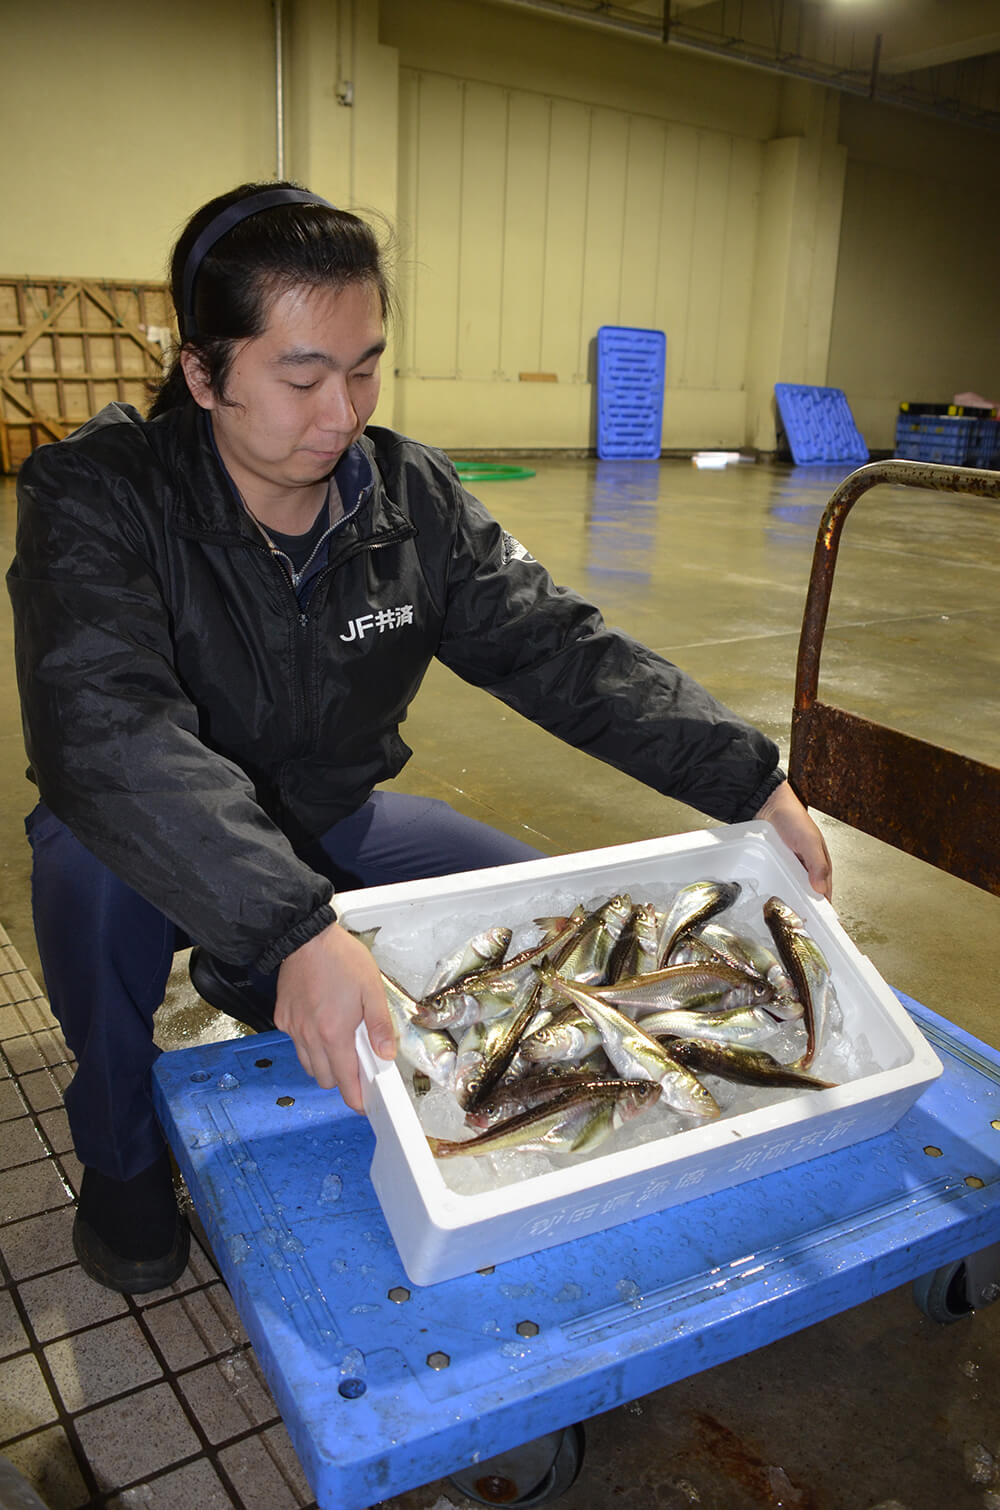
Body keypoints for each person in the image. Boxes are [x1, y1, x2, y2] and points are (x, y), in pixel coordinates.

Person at [7, 181, 832, 1295]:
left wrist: (750, 778)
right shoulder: (101, 496)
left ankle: (284, 983)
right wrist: (295, 928)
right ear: (204, 374)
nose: (341, 414)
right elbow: (105, 731)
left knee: (559, 939)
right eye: (301, 377)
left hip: (337, 816)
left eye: (363, 368)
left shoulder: (410, 499)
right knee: (81, 856)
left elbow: (559, 650)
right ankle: (118, 1152)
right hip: (161, 847)